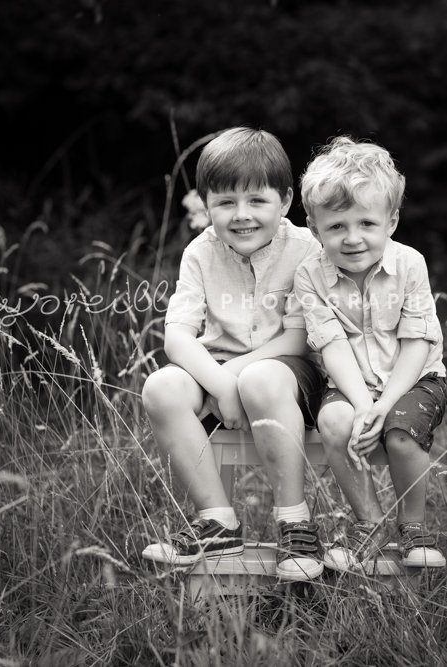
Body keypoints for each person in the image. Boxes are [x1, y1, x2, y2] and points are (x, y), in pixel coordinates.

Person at [140, 127, 325, 581]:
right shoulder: (200, 253)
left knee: (260, 377)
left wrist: (235, 378)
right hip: (216, 374)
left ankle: (295, 524)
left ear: (284, 202)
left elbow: (300, 338)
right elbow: (178, 338)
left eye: (256, 201)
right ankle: (217, 520)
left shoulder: (306, 249)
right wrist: (220, 384)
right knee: (161, 386)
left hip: (286, 378)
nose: (241, 216)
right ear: (206, 207)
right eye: (225, 203)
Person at [294, 136, 447, 571]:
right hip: (350, 383)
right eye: (336, 227)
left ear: (392, 220)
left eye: (366, 223)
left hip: (414, 378)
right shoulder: (310, 275)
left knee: (400, 431)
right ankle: (370, 522)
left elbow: (417, 341)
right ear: (313, 227)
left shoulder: (410, 264)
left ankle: (413, 527)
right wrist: (363, 403)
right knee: (333, 420)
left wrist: (383, 406)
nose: (352, 238)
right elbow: (331, 343)